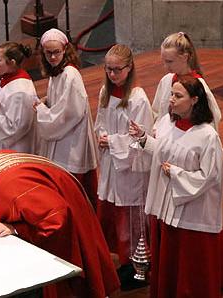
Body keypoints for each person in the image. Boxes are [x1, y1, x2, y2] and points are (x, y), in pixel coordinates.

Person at [0, 150, 120, 298]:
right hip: (39, 185)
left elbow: (55, 217)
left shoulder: (14, 194)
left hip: (63, 196)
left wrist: (15, 228)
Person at [128, 75, 223, 297]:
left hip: (191, 210)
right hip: (166, 207)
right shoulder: (166, 122)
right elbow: (164, 151)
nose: (171, 99)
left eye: (177, 95)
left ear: (194, 99)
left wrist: (176, 173)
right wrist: (144, 139)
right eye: (171, 94)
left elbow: (210, 176)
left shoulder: (207, 136)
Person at [94, 44, 153, 289]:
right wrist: (101, 136)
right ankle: (126, 262)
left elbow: (142, 136)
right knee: (117, 217)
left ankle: (139, 268)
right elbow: (99, 122)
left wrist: (113, 141)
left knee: (132, 219)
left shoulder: (137, 99)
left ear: (130, 69)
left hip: (130, 169)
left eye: (118, 69)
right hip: (111, 164)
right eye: (108, 69)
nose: (112, 74)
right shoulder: (105, 93)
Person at [35, 28, 98, 204]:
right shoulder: (56, 72)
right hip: (64, 136)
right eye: (48, 53)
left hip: (71, 140)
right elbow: (62, 101)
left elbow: (69, 113)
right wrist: (48, 101)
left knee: (74, 192)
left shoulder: (70, 74)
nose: (53, 57)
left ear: (65, 50)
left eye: (56, 52)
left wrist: (41, 110)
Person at [152, 32, 221, 130]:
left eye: (169, 62)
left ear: (185, 57)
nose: (166, 66)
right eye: (164, 61)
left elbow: (213, 118)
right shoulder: (166, 80)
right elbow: (156, 112)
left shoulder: (199, 85)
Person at [0, 42, 37, 154]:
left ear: (12, 62)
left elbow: (18, 127)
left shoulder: (20, 91)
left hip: (16, 148)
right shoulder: (5, 80)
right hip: (3, 141)